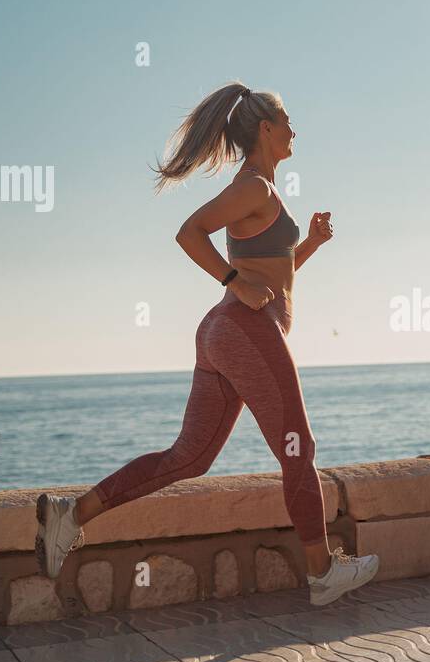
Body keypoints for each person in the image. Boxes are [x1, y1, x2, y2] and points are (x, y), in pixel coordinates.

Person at [35, 81, 379, 606]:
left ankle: (71, 515)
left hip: (224, 333)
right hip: (243, 330)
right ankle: (322, 572)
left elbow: (275, 277)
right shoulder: (255, 188)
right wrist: (231, 281)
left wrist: (308, 244)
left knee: (189, 458)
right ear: (266, 129)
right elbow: (189, 231)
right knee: (298, 448)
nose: (294, 132)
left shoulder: (263, 188)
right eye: (287, 123)